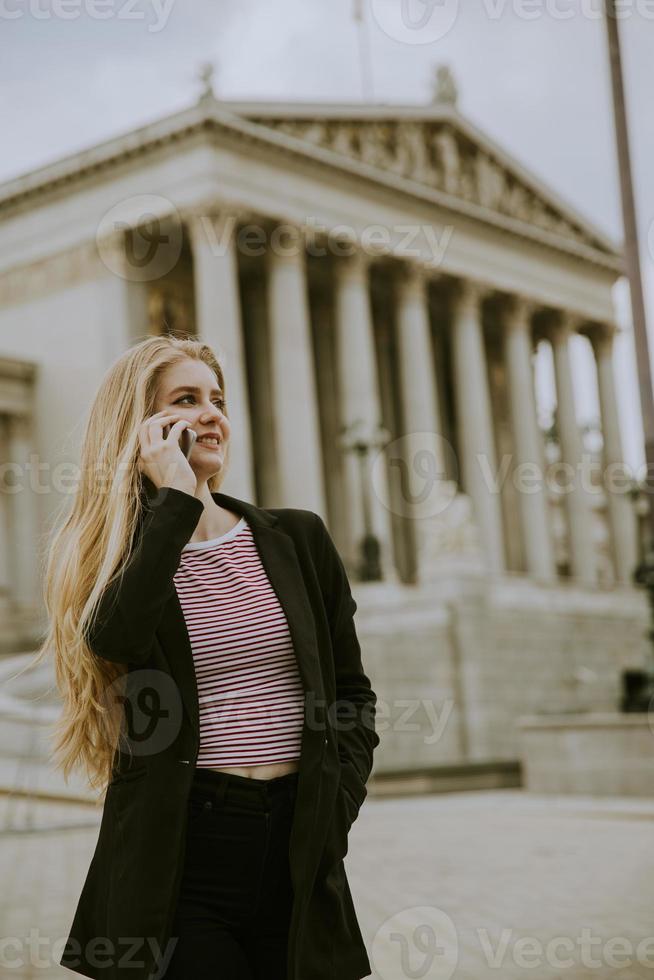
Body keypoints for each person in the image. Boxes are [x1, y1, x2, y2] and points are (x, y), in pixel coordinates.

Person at [37, 335, 380, 980]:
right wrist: (173, 504)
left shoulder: (297, 537)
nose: (212, 414)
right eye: (186, 400)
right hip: (183, 851)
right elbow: (115, 639)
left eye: (217, 399)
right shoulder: (116, 554)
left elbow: (350, 691)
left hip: (298, 840)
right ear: (142, 428)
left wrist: (336, 804)